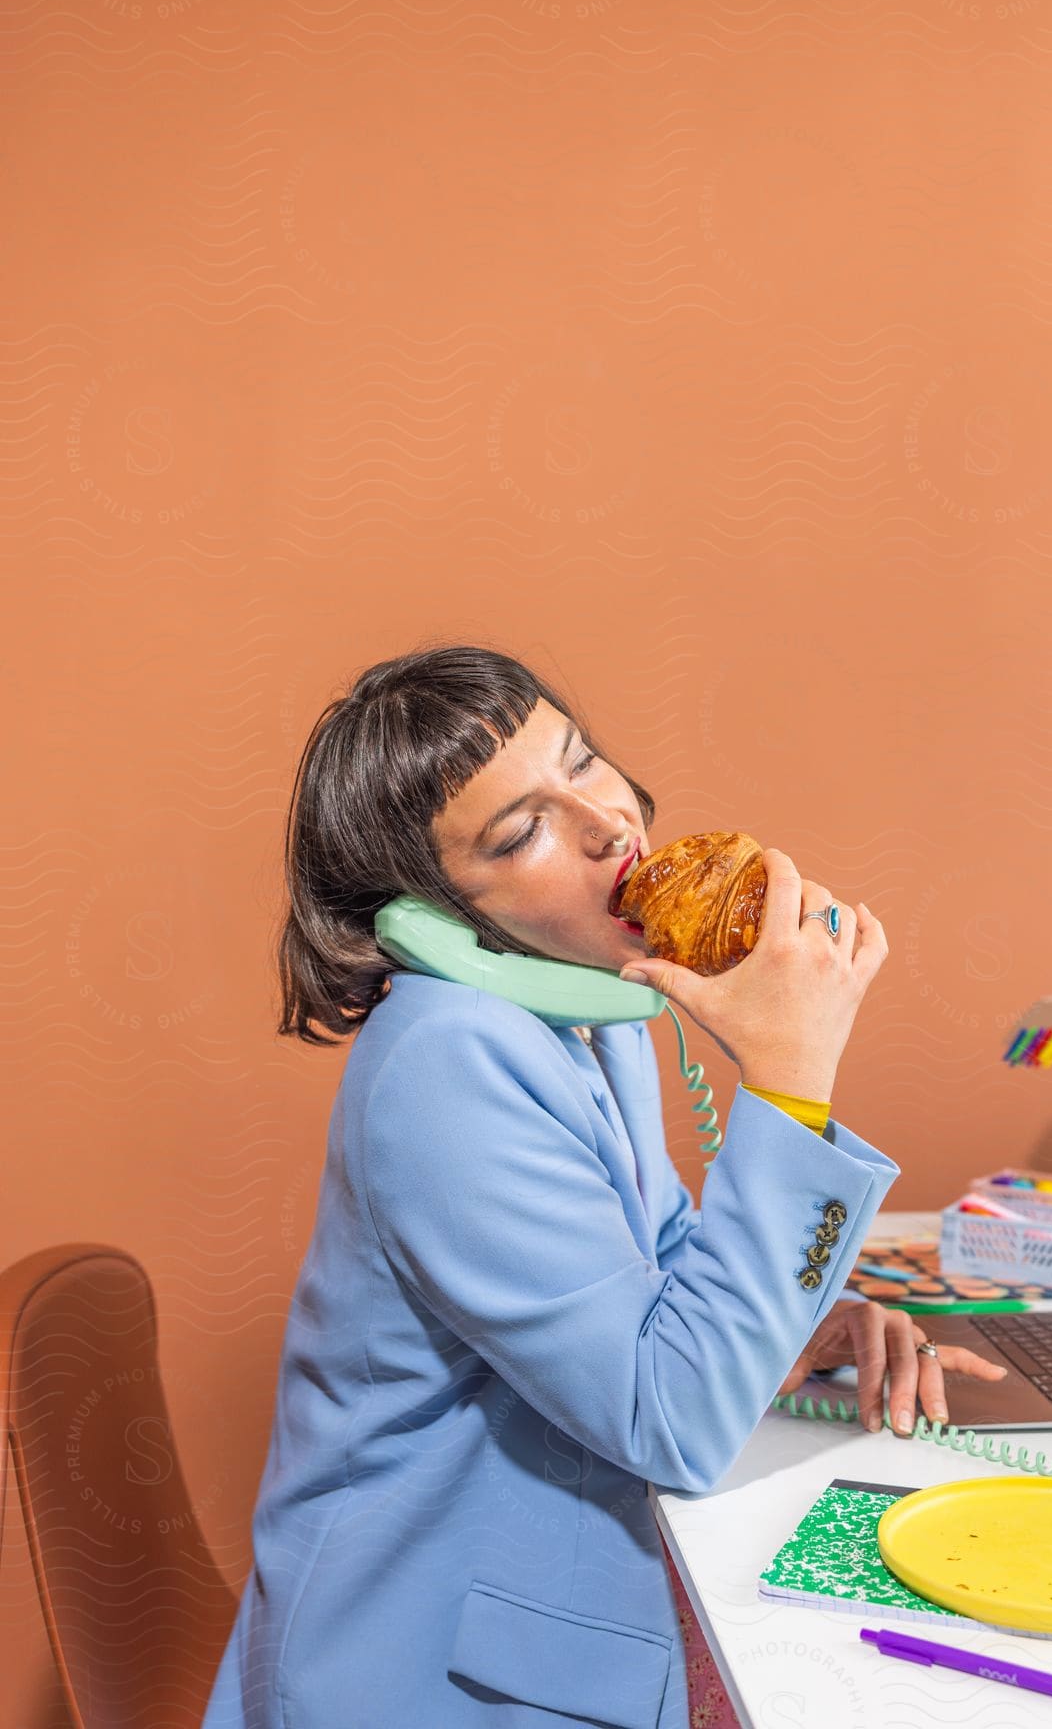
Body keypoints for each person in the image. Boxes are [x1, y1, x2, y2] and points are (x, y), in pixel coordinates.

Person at [202, 642, 1007, 1729]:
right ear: (433, 915)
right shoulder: (447, 1061)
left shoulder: (586, 1004)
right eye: (521, 829)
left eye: (582, 762)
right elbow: (671, 1418)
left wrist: (813, 1327)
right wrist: (790, 1081)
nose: (605, 822)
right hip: (424, 1670)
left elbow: (659, 1266)